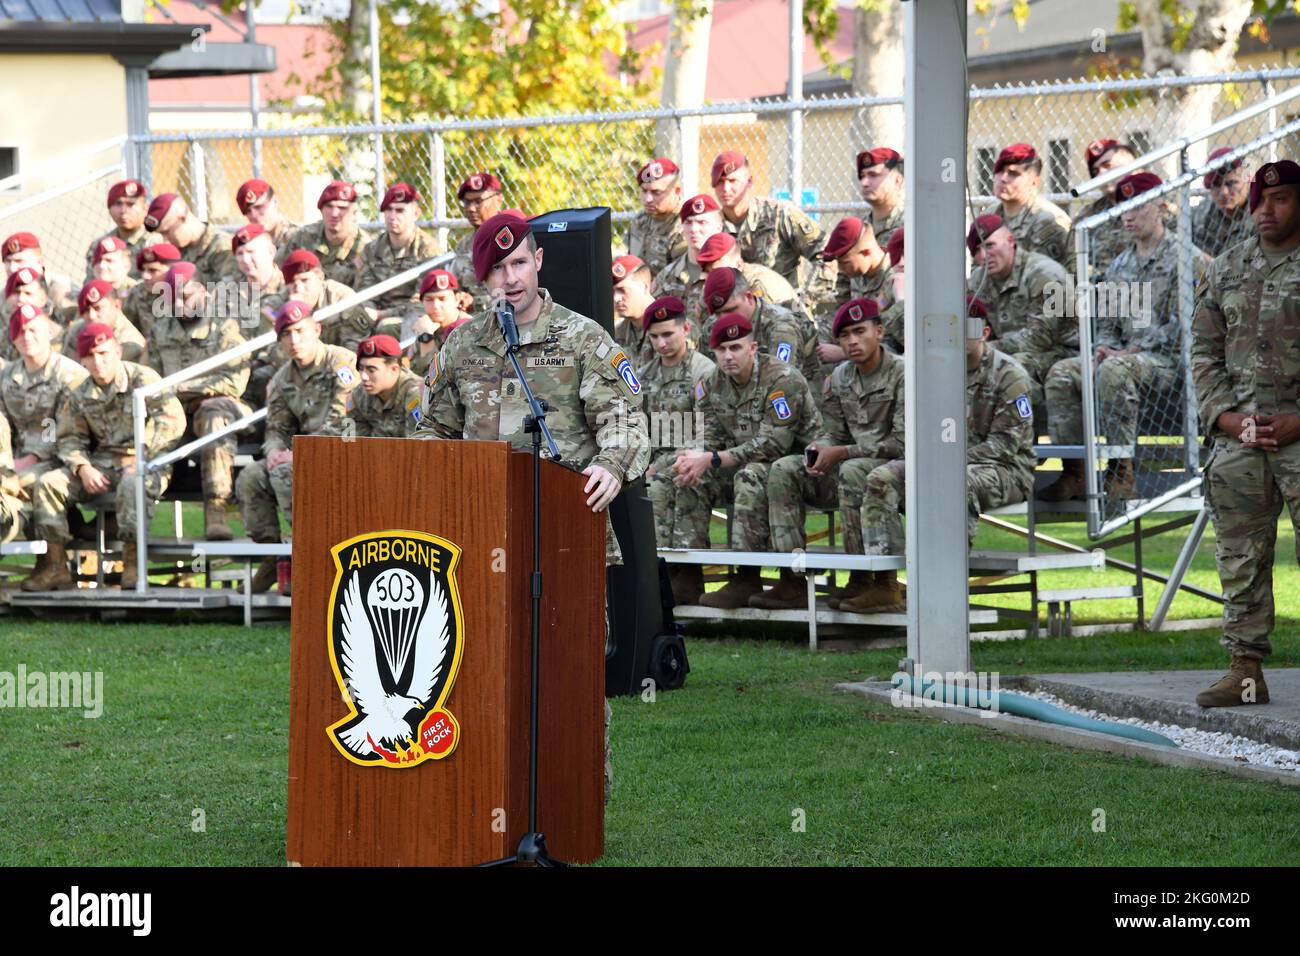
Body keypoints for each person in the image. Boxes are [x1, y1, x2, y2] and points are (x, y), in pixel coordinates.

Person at [415, 211, 650, 807]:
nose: (511, 279)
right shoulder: (463, 344)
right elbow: (430, 429)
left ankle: (575, 804)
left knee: (569, 674)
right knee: (474, 671)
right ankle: (482, 799)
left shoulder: (582, 337)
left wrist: (611, 465)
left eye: (519, 262)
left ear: (539, 261)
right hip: (474, 538)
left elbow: (627, 422)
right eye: (498, 270)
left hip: (563, 534)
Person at [1190, 158, 1300, 708]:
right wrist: (1228, 420)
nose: (1265, 210)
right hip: (1242, 437)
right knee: (1239, 555)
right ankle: (1246, 671)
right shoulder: (1225, 268)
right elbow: (1204, 354)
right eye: (1259, 200)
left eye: (1280, 200)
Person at [856, 298, 1036, 610]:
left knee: (954, 482)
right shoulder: (937, 372)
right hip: (946, 463)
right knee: (881, 477)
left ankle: (946, 587)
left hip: (1008, 470)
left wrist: (941, 461)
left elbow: (1005, 445)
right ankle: (884, 582)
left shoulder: (1009, 375)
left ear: (984, 332)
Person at [1042, 172, 1208, 501]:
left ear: (1160, 207)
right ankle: (1074, 471)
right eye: (1124, 209)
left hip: (1170, 362)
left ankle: (1121, 471)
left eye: (1136, 207)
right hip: (1124, 358)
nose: (1128, 216)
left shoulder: (1187, 259)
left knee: (1115, 370)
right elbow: (1108, 321)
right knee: (1062, 372)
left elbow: (1190, 323)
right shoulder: (1120, 265)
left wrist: (1134, 349)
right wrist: (1102, 348)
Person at [756, 298, 905, 612]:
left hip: (900, 469)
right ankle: (792, 576)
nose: (852, 341)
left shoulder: (903, 374)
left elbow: (903, 442)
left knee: (853, 470)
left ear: (879, 332)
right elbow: (832, 431)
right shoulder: (840, 378)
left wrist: (840, 452)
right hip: (853, 463)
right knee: (785, 468)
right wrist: (820, 447)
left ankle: (882, 581)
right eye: (845, 335)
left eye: (860, 331)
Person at [668, 315, 822, 609]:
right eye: (721, 350)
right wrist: (691, 456)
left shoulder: (782, 379)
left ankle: (753, 577)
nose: (728, 356)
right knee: (684, 475)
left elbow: (774, 445)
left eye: (736, 348)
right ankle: (685, 576)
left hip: (801, 466)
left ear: (753, 347)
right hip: (743, 464)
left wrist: (712, 458)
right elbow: (709, 434)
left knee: (750, 475)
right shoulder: (712, 383)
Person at [23, 323, 186, 591]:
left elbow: (171, 421)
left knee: (133, 482)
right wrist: (83, 467)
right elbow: (68, 438)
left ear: (118, 351)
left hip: (148, 461)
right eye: (91, 356)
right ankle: (54, 565)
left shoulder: (143, 380)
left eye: (104, 353)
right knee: (49, 483)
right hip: (102, 464)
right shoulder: (80, 392)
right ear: (82, 360)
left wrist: (143, 455)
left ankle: (133, 562)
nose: (98, 362)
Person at [237, 300, 357, 594]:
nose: (294, 340)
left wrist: (300, 453)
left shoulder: (340, 362)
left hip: (344, 451)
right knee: (251, 477)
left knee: (285, 472)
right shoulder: (281, 379)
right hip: (303, 455)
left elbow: (345, 418)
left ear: (317, 329)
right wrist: (275, 450)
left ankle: (305, 557)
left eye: (300, 331)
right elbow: (276, 428)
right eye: (286, 335)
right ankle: (272, 556)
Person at [145, 262, 253, 540]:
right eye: (173, 298)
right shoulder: (160, 332)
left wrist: (182, 388)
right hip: (175, 412)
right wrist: (179, 396)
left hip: (220, 410)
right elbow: (149, 382)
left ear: (204, 292)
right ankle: (133, 523)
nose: (180, 304)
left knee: (213, 412)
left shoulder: (224, 328)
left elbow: (234, 381)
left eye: (186, 296)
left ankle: (216, 510)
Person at [0, 305, 90, 578]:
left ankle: (53, 563)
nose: (27, 336)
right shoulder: (7, 377)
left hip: (62, 457)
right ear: (13, 339)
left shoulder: (69, 375)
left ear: (49, 331)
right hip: (15, 460)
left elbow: (68, 428)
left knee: (24, 483)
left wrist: (30, 459)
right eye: (21, 331)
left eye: (33, 329)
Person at [637, 295, 714, 602]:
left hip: (695, 457)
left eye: (668, 334)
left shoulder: (702, 372)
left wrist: (661, 463)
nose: (661, 343)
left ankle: (685, 576)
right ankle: (651, 574)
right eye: (654, 337)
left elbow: (705, 433)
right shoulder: (646, 374)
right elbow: (638, 427)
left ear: (686, 328)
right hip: (654, 461)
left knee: (670, 482)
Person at [965, 213, 1074, 406]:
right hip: (1012, 352)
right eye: (977, 250)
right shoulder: (977, 281)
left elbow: (1040, 337)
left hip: (1062, 352)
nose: (983, 256)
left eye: (989, 245)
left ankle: (1017, 432)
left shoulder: (1044, 274)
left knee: (1007, 368)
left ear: (1010, 241)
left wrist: (987, 349)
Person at [711, 150, 824, 285]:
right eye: (720, 181)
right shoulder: (710, 226)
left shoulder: (778, 215)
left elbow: (824, 251)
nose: (725, 188)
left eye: (732, 180)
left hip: (783, 303)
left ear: (749, 181)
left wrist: (807, 299)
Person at [700, 266, 818, 385]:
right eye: (718, 313)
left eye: (731, 310)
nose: (724, 318)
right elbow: (706, 375)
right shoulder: (713, 326)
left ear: (749, 298)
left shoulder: (781, 327)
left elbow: (781, 380)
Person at [817, 216, 903, 355]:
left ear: (866, 252)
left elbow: (896, 345)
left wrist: (844, 354)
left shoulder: (895, 280)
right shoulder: (854, 273)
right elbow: (840, 312)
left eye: (844, 262)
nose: (840, 268)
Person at [356, 182, 443, 315]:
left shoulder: (428, 250)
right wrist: (369, 312)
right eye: (388, 210)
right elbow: (364, 291)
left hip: (411, 315)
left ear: (416, 214)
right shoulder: (372, 249)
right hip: (375, 311)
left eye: (400, 210)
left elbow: (422, 299)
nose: (392, 216)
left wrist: (384, 315)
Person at [984, 143, 1072, 266]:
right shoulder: (989, 216)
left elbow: (1068, 275)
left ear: (1034, 182)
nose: (1003, 178)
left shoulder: (1051, 219)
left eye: (1013, 173)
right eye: (1000, 171)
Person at [274, 249, 374, 352]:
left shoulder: (342, 298)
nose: (299, 288)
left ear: (320, 277)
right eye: (292, 283)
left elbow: (354, 346)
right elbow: (269, 349)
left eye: (305, 280)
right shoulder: (279, 303)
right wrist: (294, 312)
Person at [275, 180, 370, 289]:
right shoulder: (303, 237)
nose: (334, 214)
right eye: (329, 206)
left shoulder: (365, 247)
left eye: (342, 208)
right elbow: (275, 273)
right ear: (321, 210)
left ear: (354, 212)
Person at [651, 193, 725, 328]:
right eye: (688, 223)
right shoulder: (667, 276)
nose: (694, 229)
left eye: (702, 222)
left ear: (719, 227)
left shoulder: (730, 271)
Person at [1068, 139, 1139, 278]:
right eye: (1095, 171)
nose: (1100, 174)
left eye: (1107, 165)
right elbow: (1073, 267)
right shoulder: (1085, 219)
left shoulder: (1159, 209)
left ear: (1130, 165)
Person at [695, 231, 801, 316]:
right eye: (708, 273)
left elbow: (764, 329)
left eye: (718, 272)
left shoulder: (759, 285)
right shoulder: (713, 288)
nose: (712, 278)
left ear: (739, 265)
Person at [143, 193, 236, 283]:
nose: (165, 240)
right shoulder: (177, 249)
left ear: (182, 219)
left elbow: (229, 292)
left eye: (167, 232)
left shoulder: (221, 246)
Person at [345, 334, 423, 438]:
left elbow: (418, 445)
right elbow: (353, 442)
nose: (364, 377)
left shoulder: (416, 394)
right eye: (361, 369)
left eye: (371, 370)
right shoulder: (358, 395)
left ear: (394, 369)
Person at [449, 172, 505, 312]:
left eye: (478, 201)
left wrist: (474, 302)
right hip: (466, 316)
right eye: (467, 202)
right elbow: (455, 286)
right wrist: (458, 297)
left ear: (498, 200)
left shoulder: (510, 239)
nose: (471, 208)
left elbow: (514, 294)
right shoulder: (464, 244)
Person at [402, 269, 470, 377]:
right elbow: (416, 373)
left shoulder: (467, 329)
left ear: (457, 299)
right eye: (429, 300)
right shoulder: (427, 326)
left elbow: (438, 380)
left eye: (442, 299)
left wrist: (426, 339)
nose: (435, 306)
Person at [626, 157, 686, 278]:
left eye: (656, 192)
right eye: (644, 191)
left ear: (677, 191)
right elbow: (626, 257)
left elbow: (680, 281)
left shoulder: (686, 225)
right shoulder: (640, 219)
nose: (648, 199)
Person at [85, 179, 156, 280]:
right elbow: (91, 283)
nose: (124, 211)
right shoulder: (100, 245)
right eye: (118, 204)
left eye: (131, 204)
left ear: (145, 209)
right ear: (109, 209)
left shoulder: (154, 241)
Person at [223, 223, 285, 338]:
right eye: (240, 253)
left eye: (251, 252)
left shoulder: (289, 287)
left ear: (271, 252)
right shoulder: (228, 289)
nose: (245, 260)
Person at [1192, 146, 1255, 258]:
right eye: (1215, 185)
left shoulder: (1263, 211)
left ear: (1248, 178)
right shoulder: (1206, 208)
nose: (1223, 192)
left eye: (1231, 183)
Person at [62, 280, 146, 364]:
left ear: (117, 305)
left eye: (98, 308)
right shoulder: (78, 329)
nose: (92, 315)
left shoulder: (131, 345)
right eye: (86, 310)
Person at [610, 255, 659, 365]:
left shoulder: (669, 327)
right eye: (613, 292)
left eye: (623, 290)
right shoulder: (616, 333)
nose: (616, 298)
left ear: (645, 287)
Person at [123, 243, 181, 334]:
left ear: (173, 271)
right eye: (143, 270)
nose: (145, 276)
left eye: (153, 270)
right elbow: (126, 329)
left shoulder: (187, 295)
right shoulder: (138, 292)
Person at [857, 147, 904, 250]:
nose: (864, 183)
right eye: (862, 176)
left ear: (897, 181)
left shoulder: (911, 225)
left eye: (873, 175)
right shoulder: (859, 229)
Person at [236, 178, 298, 246]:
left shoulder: (297, 237)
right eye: (248, 211)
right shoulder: (248, 243)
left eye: (259, 207)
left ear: (275, 201)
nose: (254, 215)